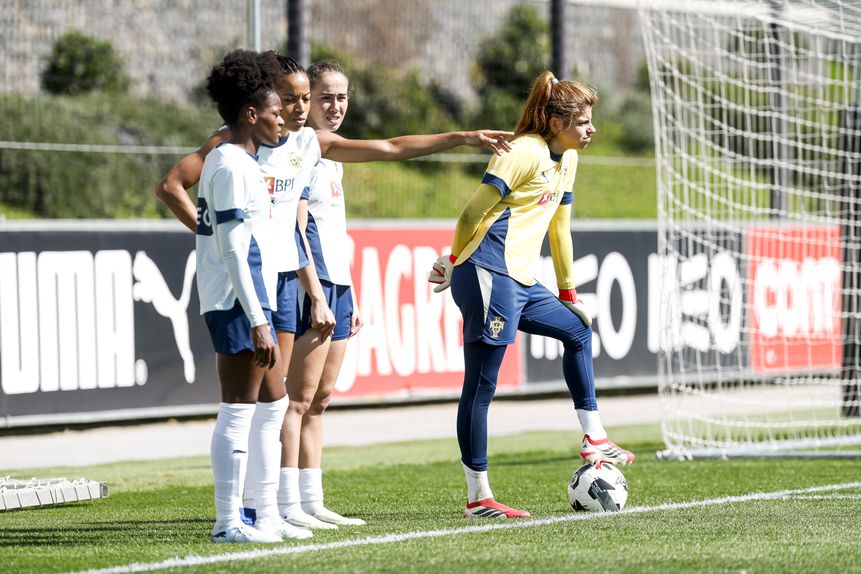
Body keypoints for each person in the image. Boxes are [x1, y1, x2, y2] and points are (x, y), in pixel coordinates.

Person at [156, 54, 513, 529]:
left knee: (282, 403)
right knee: (259, 404)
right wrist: (219, 241)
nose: (300, 108)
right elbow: (172, 185)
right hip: (258, 284)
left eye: (307, 99)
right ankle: (254, 510)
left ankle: (276, 508)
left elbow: (391, 147)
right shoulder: (233, 145)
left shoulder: (308, 143)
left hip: (287, 279)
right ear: (265, 100)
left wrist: (464, 137)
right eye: (291, 98)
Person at [275, 59, 515, 529]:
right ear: (303, 100)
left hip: (338, 287)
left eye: (342, 97)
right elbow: (390, 148)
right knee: (297, 400)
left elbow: (332, 229)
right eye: (325, 97)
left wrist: (349, 292)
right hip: (313, 286)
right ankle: (284, 504)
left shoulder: (331, 154)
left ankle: (311, 500)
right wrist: (463, 137)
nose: (335, 106)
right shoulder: (307, 147)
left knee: (320, 399)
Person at [428, 71, 635, 519]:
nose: (592, 129)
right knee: (481, 386)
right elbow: (471, 213)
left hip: (520, 280)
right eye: (583, 121)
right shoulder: (523, 152)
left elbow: (560, 230)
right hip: (487, 273)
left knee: (577, 329)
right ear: (557, 122)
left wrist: (568, 292)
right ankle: (478, 497)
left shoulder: (569, 159)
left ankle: (594, 437)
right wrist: (454, 259)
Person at [195, 49, 307, 544]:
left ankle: (267, 515)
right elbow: (233, 250)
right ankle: (227, 522)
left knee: (274, 403)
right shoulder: (230, 166)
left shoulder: (237, 160)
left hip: (249, 299)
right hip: (237, 303)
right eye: (275, 111)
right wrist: (258, 318)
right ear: (250, 114)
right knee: (239, 409)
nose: (282, 118)